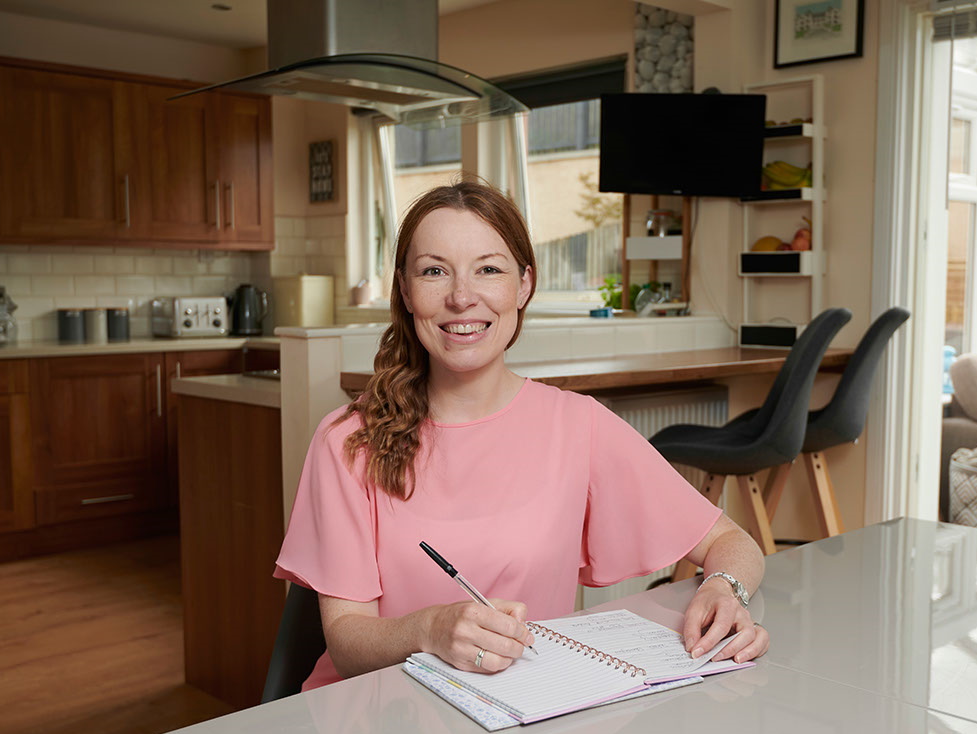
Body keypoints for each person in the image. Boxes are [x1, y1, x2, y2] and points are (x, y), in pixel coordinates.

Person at [275, 180, 768, 690]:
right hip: (375, 724)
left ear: (524, 285)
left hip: (522, 717)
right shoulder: (347, 440)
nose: (461, 297)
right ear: (405, 289)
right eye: (434, 271)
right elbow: (347, 645)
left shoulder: (579, 425)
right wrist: (428, 629)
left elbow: (732, 542)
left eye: (488, 270)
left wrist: (725, 589)